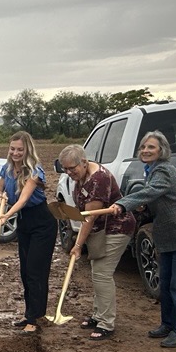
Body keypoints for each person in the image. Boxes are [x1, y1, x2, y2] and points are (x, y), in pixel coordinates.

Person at [107, 131, 176, 348]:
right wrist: (142, 205)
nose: (146, 150)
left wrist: (123, 204)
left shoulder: (164, 169)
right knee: (165, 284)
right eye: (143, 147)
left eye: (151, 147)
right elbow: (153, 196)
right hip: (169, 237)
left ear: (161, 150)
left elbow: (152, 191)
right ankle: (167, 324)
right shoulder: (152, 170)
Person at [58, 144, 135, 341]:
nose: (68, 172)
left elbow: (89, 217)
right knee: (97, 271)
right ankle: (98, 315)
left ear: (83, 162)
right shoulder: (80, 177)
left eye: (71, 168)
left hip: (117, 228)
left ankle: (106, 323)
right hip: (100, 229)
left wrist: (77, 245)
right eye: (64, 169)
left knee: (102, 274)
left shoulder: (98, 179)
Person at [0, 131, 56, 334]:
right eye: (12, 148)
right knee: (25, 271)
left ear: (27, 149)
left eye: (20, 149)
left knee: (35, 271)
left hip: (41, 222)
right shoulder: (7, 168)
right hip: (24, 223)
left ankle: (34, 318)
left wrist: (6, 216)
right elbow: (0, 189)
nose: (15, 152)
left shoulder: (34, 171)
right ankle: (31, 313)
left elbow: (22, 200)